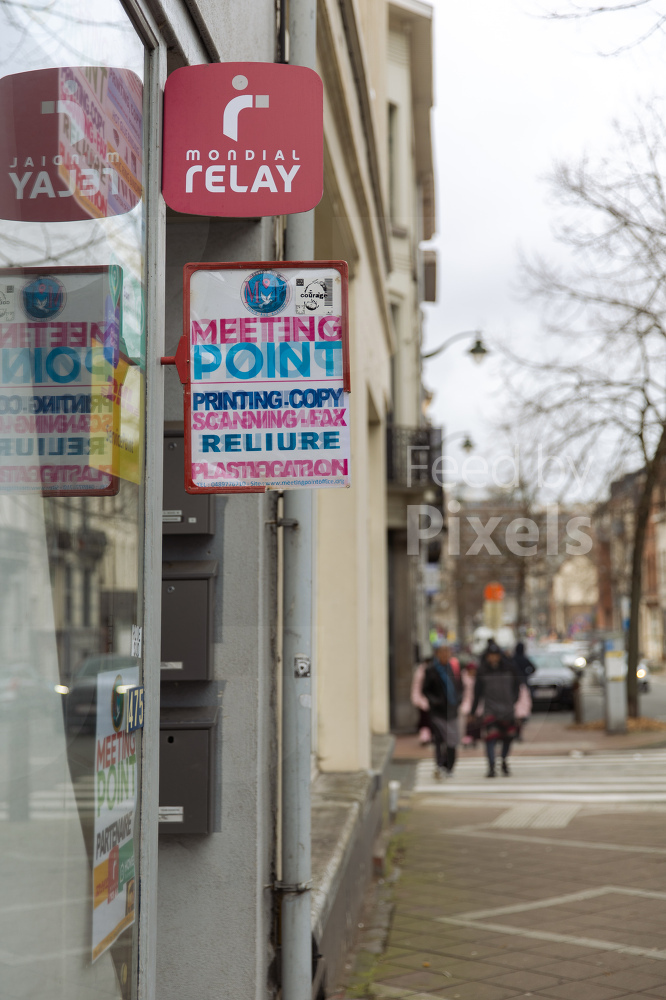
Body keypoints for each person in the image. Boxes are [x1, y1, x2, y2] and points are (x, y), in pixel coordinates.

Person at [471, 640, 521, 778]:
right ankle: (491, 766)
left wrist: (513, 700)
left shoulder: (510, 668)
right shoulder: (482, 671)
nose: (493, 658)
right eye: (490, 655)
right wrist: (473, 711)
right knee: (490, 738)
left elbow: (517, 686)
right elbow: (477, 693)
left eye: (495, 655)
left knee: (508, 738)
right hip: (490, 710)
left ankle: (504, 760)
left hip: (507, 709)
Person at [422, 642, 463, 779]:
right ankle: (439, 765)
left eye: (447, 652)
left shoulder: (454, 668)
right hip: (438, 711)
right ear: (437, 654)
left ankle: (449, 766)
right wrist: (435, 701)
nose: (445, 654)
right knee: (439, 739)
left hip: (451, 710)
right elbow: (425, 690)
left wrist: (458, 699)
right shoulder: (431, 669)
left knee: (452, 740)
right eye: (442, 652)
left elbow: (459, 685)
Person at [512, 642, 536, 741]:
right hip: (523, 685)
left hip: (514, 686)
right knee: (521, 709)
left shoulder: (513, 659)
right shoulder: (524, 659)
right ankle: (518, 731)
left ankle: (515, 731)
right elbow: (534, 668)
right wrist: (526, 674)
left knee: (516, 709)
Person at [410, 662, 432, 745]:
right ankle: (425, 737)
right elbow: (416, 687)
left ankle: (429, 736)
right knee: (424, 719)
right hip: (423, 700)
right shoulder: (421, 672)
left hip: (431, 700)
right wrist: (417, 699)